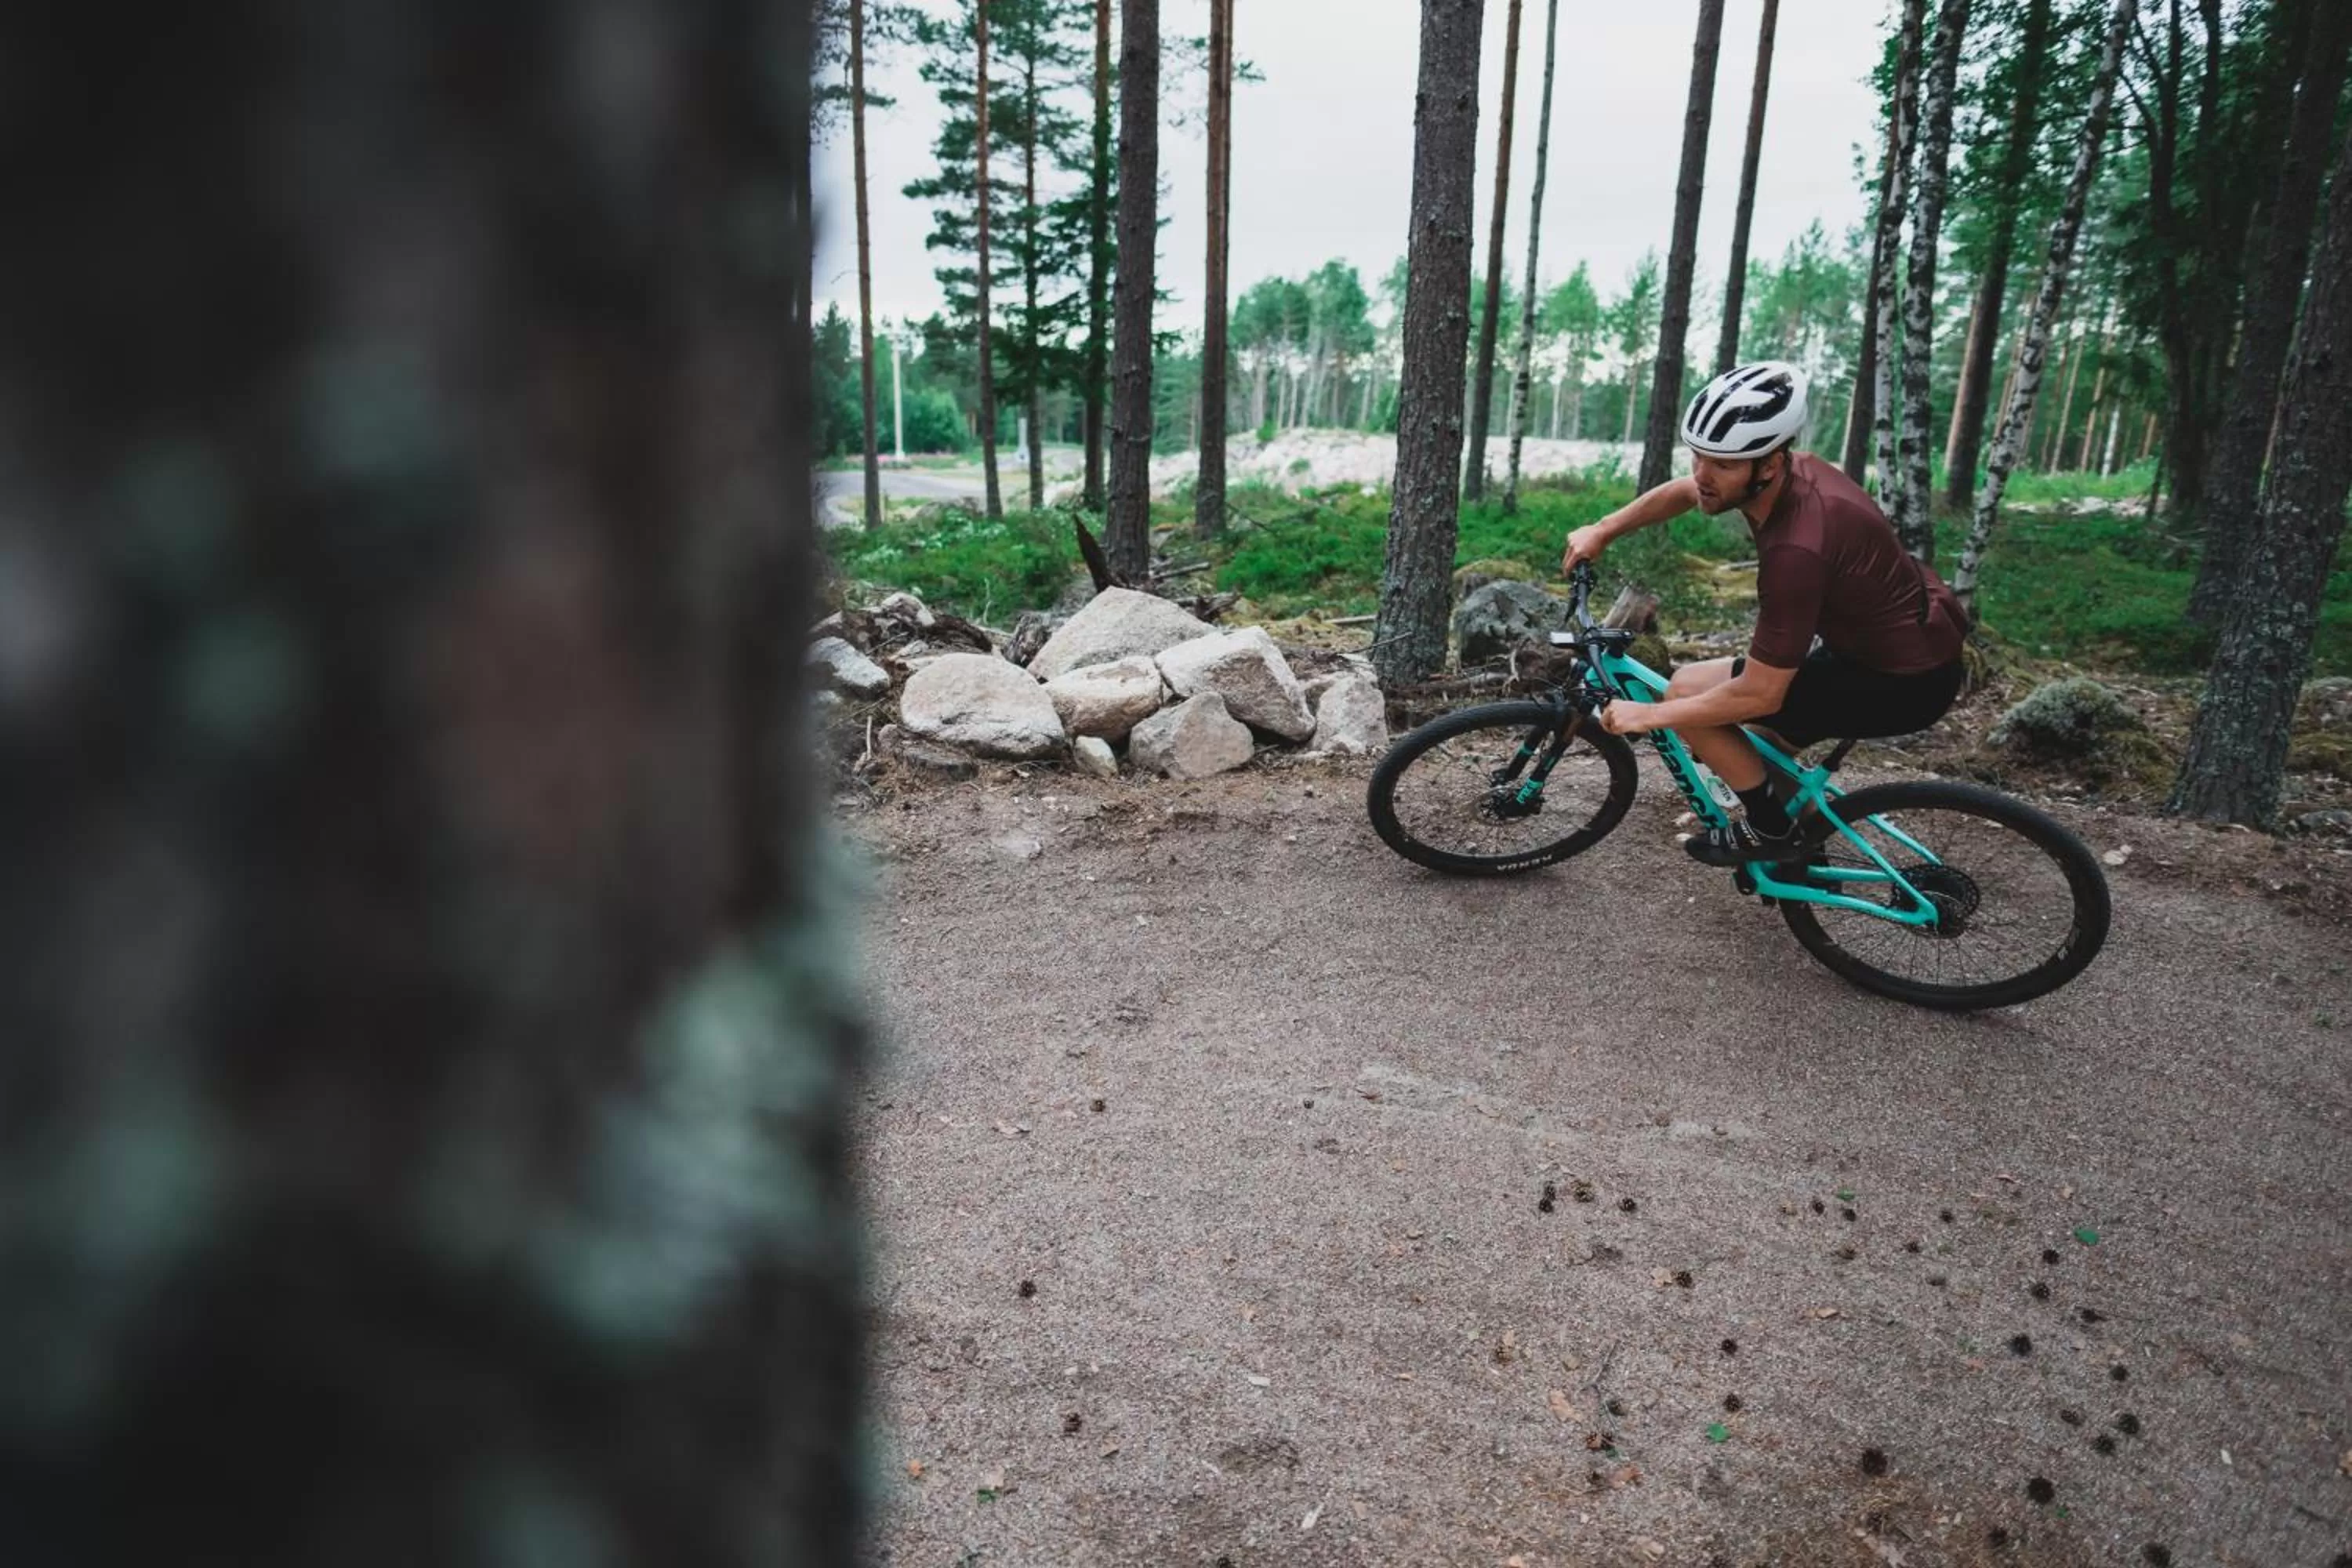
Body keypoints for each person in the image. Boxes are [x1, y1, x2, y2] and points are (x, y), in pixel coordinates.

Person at [1560, 361, 1967, 866]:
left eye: (1723, 465)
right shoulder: (1789, 473)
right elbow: (1686, 492)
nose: (1702, 475)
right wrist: (1604, 527)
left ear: (1769, 464)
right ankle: (1784, 802)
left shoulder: (1797, 551)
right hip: (1898, 643)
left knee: (1689, 702)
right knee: (1699, 692)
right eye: (1698, 456)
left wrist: (1651, 715)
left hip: (1901, 683)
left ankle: (1771, 831)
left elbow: (1760, 690)